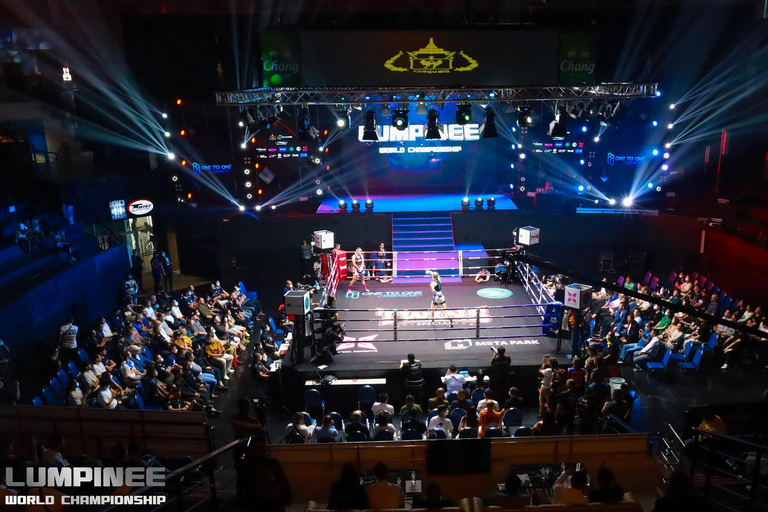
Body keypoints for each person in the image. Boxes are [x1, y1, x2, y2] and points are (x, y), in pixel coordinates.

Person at [237, 434, 292, 512]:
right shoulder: (272, 463)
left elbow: (241, 487)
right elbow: (282, 481)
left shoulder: (246, 465)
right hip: (273, 502)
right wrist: (287, 498)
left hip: (256, 503)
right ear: (265, 448)